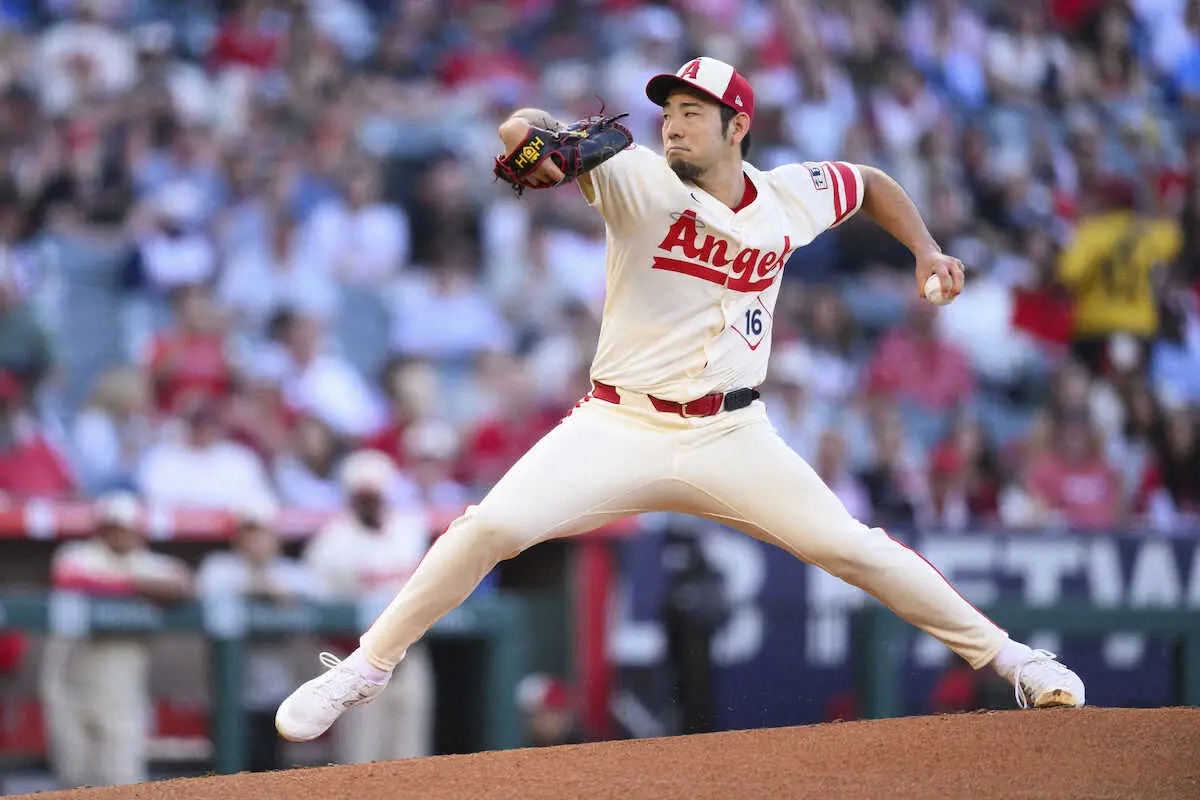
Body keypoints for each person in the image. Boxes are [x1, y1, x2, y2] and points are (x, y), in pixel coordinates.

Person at [276, 56, 1085, 744]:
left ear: (738, 127)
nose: (672, 125)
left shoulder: (790, 195)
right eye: (668, 111)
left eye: (693, 113)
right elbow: (522, 130)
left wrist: (926, 249)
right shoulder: (634, 178)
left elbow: (868, 183)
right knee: (488, 528)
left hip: (732, 434)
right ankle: (364, 667)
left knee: (856, 547)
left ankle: (1012, 660)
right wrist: (534, 136)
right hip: (619, 422)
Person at [40, 492, 192, 788]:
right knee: (73, 779)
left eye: (126, 528)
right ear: (101, 529)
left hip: (122, 694)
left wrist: (128, 584)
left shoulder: (149, 563)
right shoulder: (78, 555)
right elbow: (69, 579)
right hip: (69, 687)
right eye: (113, 528)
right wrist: (136, 587)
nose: (120, 535)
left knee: (122, 780)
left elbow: (182, 585)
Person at [299, 450, 435, 762]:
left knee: (412, 755)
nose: (369, 504)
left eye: (375, 496)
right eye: (363, 497)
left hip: (409, 656)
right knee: (361, 758)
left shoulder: (410, 529)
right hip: (356, 663)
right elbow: (318, 614)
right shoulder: (331, 543)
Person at [196, 495, 321, 772]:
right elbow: (206, 590)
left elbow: (317, 594)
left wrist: (281, 593)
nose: (256, 541)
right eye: (249, 533)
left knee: (269, 772)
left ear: (276, 538)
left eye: (262, 533)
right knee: (226, 774)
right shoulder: (220, 568)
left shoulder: (293, 572)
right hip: (228, 696)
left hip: (275, 693)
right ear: (237, 538)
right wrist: (260, 587)